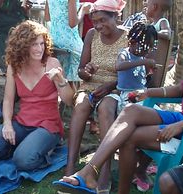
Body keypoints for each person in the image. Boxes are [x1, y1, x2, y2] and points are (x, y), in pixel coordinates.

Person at [57, 75, 183, 194]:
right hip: (181, 117)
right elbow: (179, 89)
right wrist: (147, 92)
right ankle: (89, 172)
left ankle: (90, 174)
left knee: (126, 135)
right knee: (131, 110)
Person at [0, 20, 75, 171]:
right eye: (34, 44)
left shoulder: (52, 63)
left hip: (47, 126)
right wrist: (7, 124)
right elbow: (8, 100)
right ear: (22, 46)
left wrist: (61, 80)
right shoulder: (14, 66)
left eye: (42, 43)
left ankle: (45, 150)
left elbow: (69, 101)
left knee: (23, 161)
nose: (39, 49)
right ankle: (23, 147)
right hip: (22, 122)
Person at [64, 0, 128, 192]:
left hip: (117, 86)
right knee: (81, 104)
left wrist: (111, 85)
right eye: (95, 21)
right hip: (91, 85)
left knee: (106, 108)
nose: (98, 26)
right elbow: (81, 70)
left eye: (103, 20)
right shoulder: (92, 35)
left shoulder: (127, 37)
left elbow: (134, 73)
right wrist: (87, 71)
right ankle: (70, 166)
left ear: (116, 17)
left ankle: (104, 170)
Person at [115, 22, 158, 113]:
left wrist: (150, 70)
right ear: (133, 42)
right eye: (146, 46)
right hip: (128, 96)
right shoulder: (125, 54)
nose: (149, 50)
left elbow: (141, 76)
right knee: (149, 112)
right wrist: (144, 61)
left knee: (158, 112)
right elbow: (119, 66)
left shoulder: (142, 57)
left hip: (142, 94)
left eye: (151, 47)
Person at [45, 0, 85, 87]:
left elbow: (47, 18)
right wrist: (84, 10)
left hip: (53, 40)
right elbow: (72, 23)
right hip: (70, 41)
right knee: (86, 57)